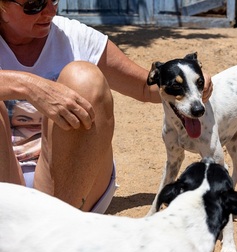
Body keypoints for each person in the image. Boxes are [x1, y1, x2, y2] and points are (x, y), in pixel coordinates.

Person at [0, 0, 213, 213]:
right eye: (34, 5)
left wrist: (192, 86)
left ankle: (59, 225)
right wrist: (28, 86)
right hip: (6, 178)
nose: (50, 11)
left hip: (72, 184)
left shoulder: (73, 37)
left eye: (54, 0)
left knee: (84, 78)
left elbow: (143, 87)